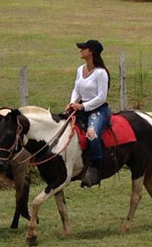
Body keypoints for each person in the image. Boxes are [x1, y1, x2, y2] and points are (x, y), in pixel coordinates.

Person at [67, 39, 110, 187]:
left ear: (91, 51)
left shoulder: (101, 73)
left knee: (92, 134)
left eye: (84, 48)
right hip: (81, 107)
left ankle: (95, 166)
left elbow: (101, 97)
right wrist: (73, 103)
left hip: (98, 110)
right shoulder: (80, 69)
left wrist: (83, 106)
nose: (81, 51)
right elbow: (76, 89)